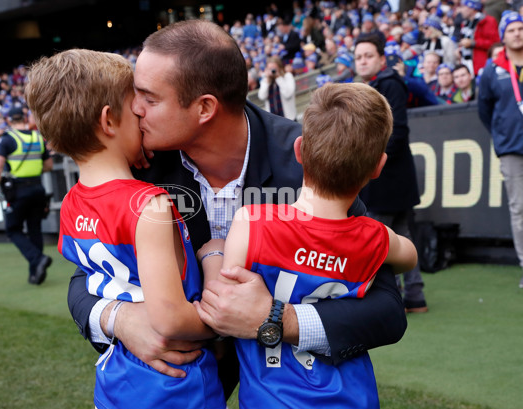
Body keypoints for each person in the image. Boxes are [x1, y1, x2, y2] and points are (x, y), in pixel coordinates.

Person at [67, 19, 407, 399]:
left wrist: (277, 320)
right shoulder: (138, 164)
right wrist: (120, 319)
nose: (135, 108)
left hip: (286, 377)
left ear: (204, 108)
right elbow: (83, 276)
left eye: (149, 97)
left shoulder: (306, 159)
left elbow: (388, 309)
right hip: (181, 377)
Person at [25, 48, 226, 409]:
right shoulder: (148, 204)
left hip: (116, 378)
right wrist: (226, 320)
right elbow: (171, 321)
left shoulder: (71, 202)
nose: (143, 118)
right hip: (175, 385)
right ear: (109, 121)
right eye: (136, 109)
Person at [198, 83, 418, 408]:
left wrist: (211, 253)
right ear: (377, 167)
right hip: (351, 399)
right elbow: (409, 257)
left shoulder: (251, 222)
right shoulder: (376, 238)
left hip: (270, 399)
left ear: (299, 150)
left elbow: (226, 300)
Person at [355, 33, 428, 313]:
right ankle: (414, 296)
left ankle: (392, 298)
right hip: (391, 179)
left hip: (386, 181)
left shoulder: (388, 84)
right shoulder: (376, 85)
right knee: (400, 236)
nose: (363, 61)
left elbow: (397, 133)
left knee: (380, 240)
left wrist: (366, 163)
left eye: (368, 56)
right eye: (359, 57)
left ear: (382, 59)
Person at [478, 11, 523, 288]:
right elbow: (485, 110)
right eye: (512, 30)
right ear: (503, 36)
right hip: (511, 148)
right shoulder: (492, 70)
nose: (518, 33)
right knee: (520, 209)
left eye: (521, 28)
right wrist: (502, 134)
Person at [0, 105, 53, 285]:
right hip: (37, 188)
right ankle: (35, 274)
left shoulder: (7, 139)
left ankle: (37, 259)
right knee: (35, 229)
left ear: (9, 120)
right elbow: (48, 165)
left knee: (13, 229)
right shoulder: (37, 137)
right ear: (24, 118)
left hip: (18, 190)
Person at [456, 0, 500, 76]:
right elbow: (465, 42)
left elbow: (495, 44)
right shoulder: (465, 23)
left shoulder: (488, 21)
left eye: (463, 7)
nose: (460, 10)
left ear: (472, 8)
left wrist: (473, 43)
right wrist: (460, 50)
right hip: (467, 66)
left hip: (482, 67)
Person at [257, 56, 297, 121]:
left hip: (289, 118)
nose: (272, 70)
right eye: (270, 68)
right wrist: (267, 80)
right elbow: (261, 97)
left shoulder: (287, 77)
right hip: (273, 121)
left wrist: (278, 77)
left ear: (279, 68)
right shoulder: (266, 81)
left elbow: (288, 94)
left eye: (274, 68)